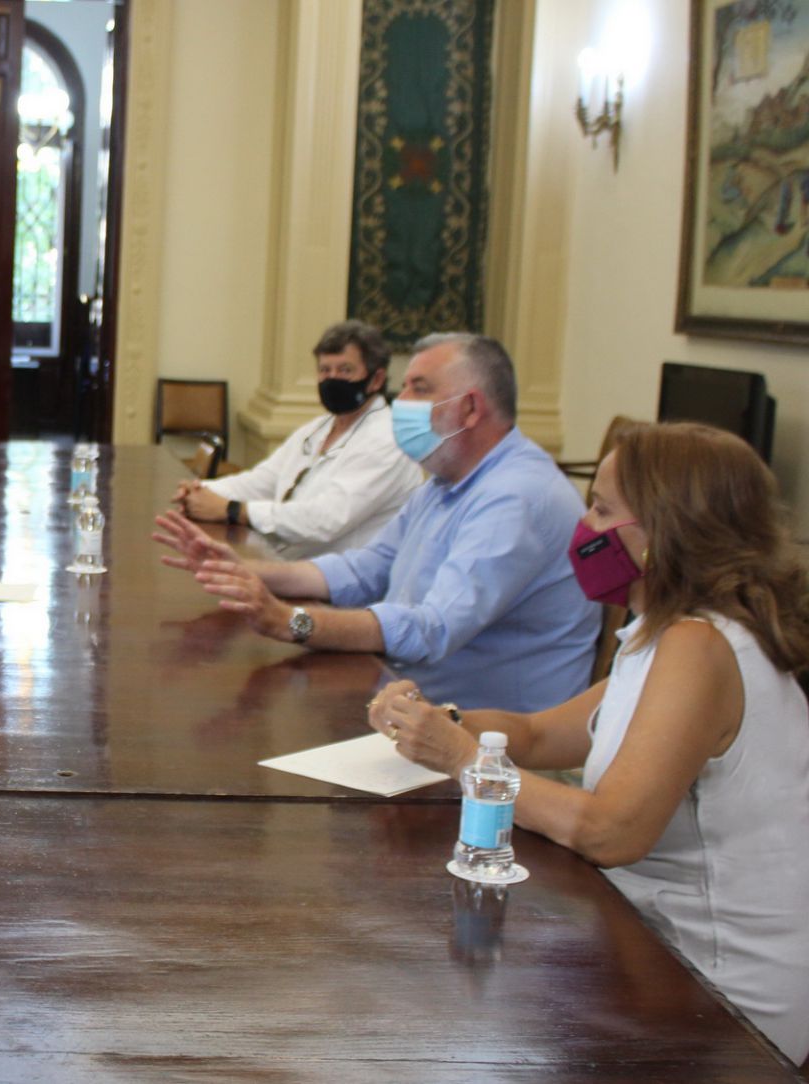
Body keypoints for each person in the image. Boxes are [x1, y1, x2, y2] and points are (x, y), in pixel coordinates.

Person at [371, 422, 809, 1063]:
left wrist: (463, 759)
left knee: (452, 1024)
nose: (584, 527)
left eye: (602, 509)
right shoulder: (662, 633)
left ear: (662, 532)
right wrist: (440, 720)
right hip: (652, 943)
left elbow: (612, 832)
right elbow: (543, 732)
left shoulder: (701, 646)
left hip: (718, 990)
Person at [154, 333, 598, 711]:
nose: (400, 403)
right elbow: (368, 568)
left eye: (419, 389)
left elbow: (434, 628)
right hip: (412, 701)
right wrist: (244, 571)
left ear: (469, 408)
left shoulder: (515, 497)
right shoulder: (447, 480)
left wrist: (294, 622)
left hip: (490, 743)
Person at [174, 320, 423, 557]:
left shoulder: (388, 439)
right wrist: (200, 491)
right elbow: (263, 481)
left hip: (337, 580)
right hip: (284, 562)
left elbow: (326, 519)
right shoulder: (319, 427)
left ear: (376, 380)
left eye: (345, 370)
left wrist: (233, 510)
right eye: (325, 370)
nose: (332, 379)